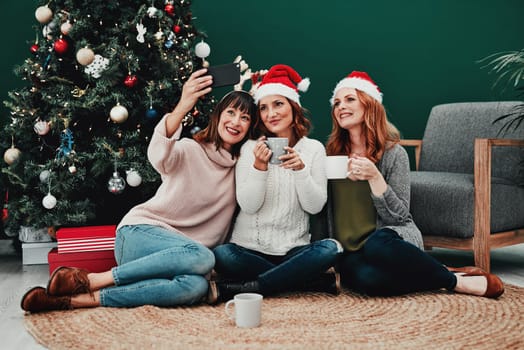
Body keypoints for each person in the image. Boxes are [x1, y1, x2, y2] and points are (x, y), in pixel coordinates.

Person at [20, 68, 259, 313]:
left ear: (251, 127)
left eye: (245, 117)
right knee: (205, 257)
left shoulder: (242, 169)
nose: (235, 122)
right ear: (218, 116)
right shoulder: (191, 149)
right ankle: (92, 279)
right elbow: (157, 155)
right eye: (230, 112)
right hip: (141, 235)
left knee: (195, 288)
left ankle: (75, 300)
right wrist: (183, 106)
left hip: (183, 260)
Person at [325, 70, 504, 298]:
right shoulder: (330, 155)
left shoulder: (393, 154)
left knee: (376, 244)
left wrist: (374, 177)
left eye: (350, 99)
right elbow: (323, 211)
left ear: (369, 105)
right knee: (369, 282)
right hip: (351, 252)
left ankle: (455, 282)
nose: (341, 106)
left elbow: (399, 218)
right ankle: (442, 272)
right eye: (337, 102)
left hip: (387, 241)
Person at [212, 64, 343, 302]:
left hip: (293, 250)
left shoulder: (313, 149)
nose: (270, 113)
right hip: (249, 248)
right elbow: (249, 206)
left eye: (278, 104)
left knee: (330, 248)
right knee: (223, 255)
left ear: (294, 107)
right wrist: (259, 168)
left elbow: (315, 207)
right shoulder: (251, 148)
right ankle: (309, 281)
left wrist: (301, 170)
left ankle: (246, 287)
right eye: (263, 107)